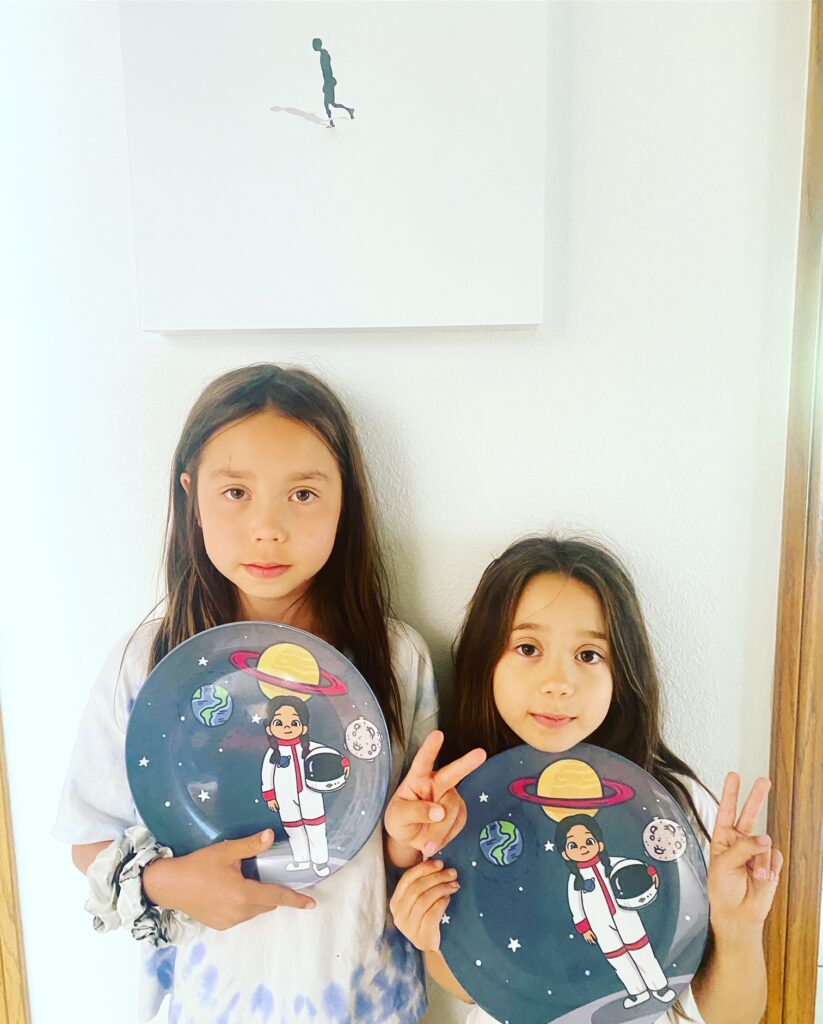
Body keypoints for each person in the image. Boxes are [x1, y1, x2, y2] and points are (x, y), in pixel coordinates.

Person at [53, 363, 438, 1024]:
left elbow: (412, 848)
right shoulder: (144, 663)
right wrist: (168, 883)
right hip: (210, 998)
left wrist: (416, 835)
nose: (267, 527)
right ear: (190, 496)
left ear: (345, 500)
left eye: (303, 494)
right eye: (235, 492)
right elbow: (90, 835)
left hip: (363, 999)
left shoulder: (394, 659)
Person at [385, 536, 782, 1023]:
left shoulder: (672, 814)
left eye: (589, 655)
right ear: (486, 659)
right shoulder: (463, 809)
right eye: (528, 647)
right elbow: (469, 990)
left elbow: (732, 1017)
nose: (559, 682)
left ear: (624, 670)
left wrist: (740, 927)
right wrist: (431, 937)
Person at [312, 37, 355, 127]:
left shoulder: (324, 55)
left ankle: (332, 122)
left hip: (329, 81)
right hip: (328, 81)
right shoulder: (323, 53)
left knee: (328, 104)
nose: (313, 47)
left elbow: (327, 70)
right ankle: (348, 110)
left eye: (314, 45)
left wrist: (327, 84)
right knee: (332, 103)